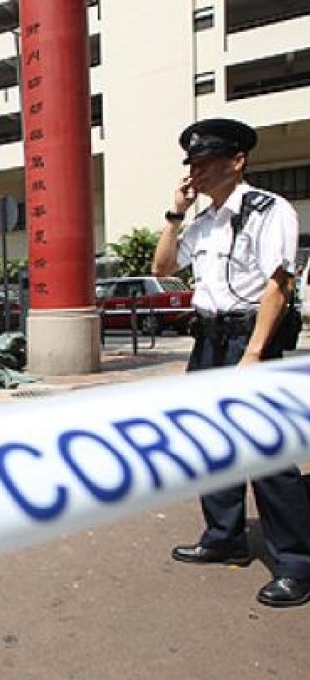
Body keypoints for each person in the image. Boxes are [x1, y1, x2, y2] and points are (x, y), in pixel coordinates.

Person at [152, 117, 310, 608]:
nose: (194, 173)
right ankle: (224, 535)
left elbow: (277, 285)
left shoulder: (269, 211)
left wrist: (256, 353)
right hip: (210, 341)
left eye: (204, 163)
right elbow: (162, 270)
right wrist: (175, 215)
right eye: (191, 165)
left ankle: (296, 563)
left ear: (236, 161)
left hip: (249, 339)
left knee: (266, 452)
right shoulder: (202, 221)